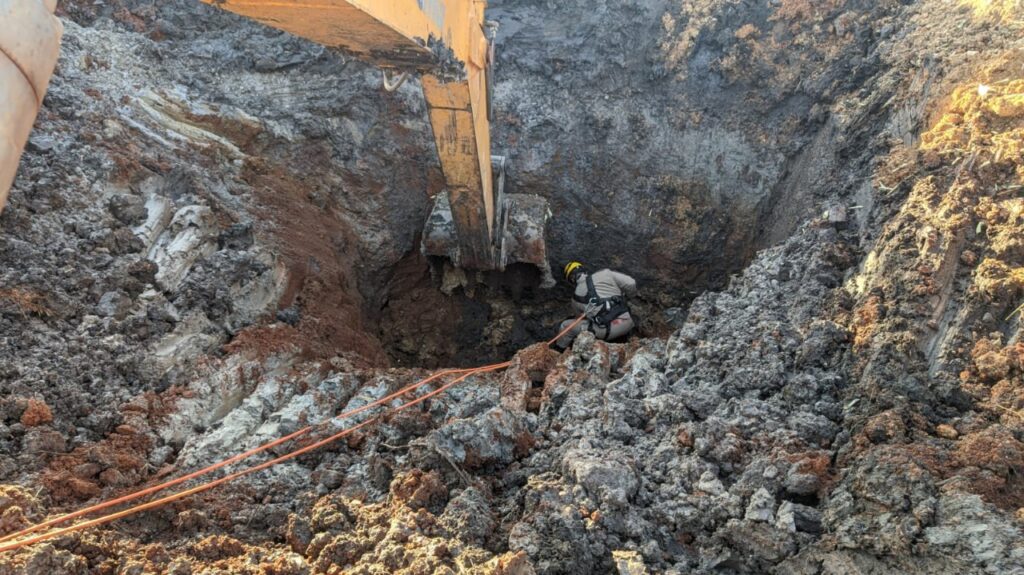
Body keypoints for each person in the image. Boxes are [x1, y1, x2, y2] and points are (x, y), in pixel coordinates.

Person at [556, 261, 637, 348]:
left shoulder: (576, 298)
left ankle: (559, 351)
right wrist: (627, 298)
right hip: (628, 321)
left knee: (565, 326)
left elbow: (580, 318)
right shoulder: (606, 273)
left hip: (606, 332)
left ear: (571, 279)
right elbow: (631, 283)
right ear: (585, 271)